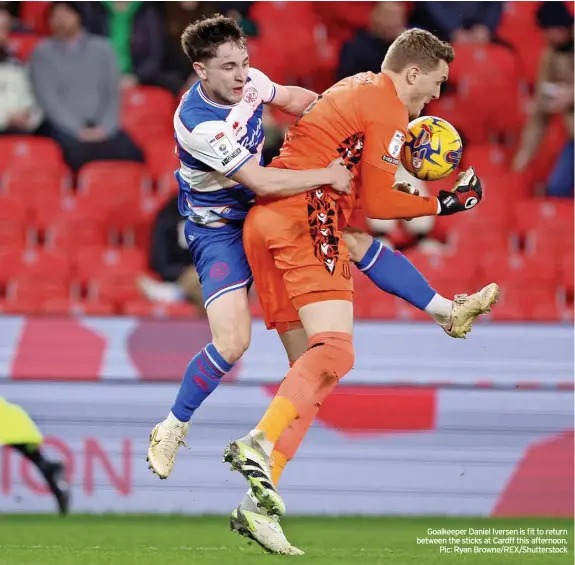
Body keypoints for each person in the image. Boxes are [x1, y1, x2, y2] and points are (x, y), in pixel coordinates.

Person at [147, 16, 496, 554]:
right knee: (288, 347)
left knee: (312, 374)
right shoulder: (199, 121)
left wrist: (330, 120)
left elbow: (299, 100)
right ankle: (219, 434)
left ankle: (258, 508)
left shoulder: (343, 90)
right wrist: (440, 203)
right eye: (438, 82)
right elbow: (279, 182)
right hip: (232, 221)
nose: (438, 93)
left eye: (243, 62)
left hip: (268, 217)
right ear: (412, 72)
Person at [29, 1, 143, 172]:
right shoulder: (41, 53)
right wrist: (78, 130)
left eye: (66, 14)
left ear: (79, 16)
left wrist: (105, 129)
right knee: (75, 156)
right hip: (63, 127)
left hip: (103, 126)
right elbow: (49, 101)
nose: (60, 20)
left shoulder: (104, 50)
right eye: (55, 16)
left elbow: (113, 96)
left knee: (133, 154)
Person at [512, 1, 574, 198]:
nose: (546, 36)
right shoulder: (550, 57)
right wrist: (525, 155)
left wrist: (570, 96)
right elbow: (541, 110)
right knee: (556, 189)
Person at [0, 397, 70, 515]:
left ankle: (49, 469)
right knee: (35, 457)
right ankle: (50, 469)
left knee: (33, 455)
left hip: (9, 420)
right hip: (14, 418)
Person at [137, 195, 205, 313]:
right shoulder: (169, 215)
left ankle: (175, 294)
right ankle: (178, 292)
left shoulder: (216, 213)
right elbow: (159, 261)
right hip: (181, 275)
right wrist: (184, 272)